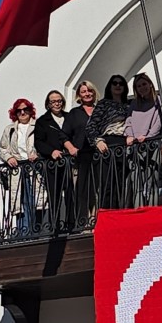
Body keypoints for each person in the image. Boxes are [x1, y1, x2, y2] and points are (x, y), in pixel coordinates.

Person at [34, 90, 81, 228]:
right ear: (48, 104)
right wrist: (51, 151)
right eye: (53, 101)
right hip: (52, 164)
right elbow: (39, 142)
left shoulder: (69, 117)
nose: (57, 104)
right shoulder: (42, 121)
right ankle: (56, 226)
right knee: (54, 195)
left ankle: (72, 223)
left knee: (71, 193)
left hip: (70, 162)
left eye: (59, 101)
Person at [0, 98, 43, 235]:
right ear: (14, 113)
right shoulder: (10, 129)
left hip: (35, 170)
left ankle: (36, 232)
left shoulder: (38, 126)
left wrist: (37, 155)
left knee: (38, 201)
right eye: (19, 110)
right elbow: (2, 148)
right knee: (21, 203)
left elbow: (44, 144)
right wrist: (9, 157)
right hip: (17, 171)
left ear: (30, 110)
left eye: (25, 109)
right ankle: (24, 233)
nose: (22, 112)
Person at [86, 75, 132, 208]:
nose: (118, 86)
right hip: (107, 143)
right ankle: (106, 216)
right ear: (109, 87)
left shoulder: (128, 106)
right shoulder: (103, 104)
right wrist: (98, 141)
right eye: (114, 83)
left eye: (121, 83)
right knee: (107, 184)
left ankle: (119, 216)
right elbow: (91, 126)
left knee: (121, 184)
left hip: (124, 144)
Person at [123, 73, 162, 205]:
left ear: (150, 84)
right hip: (135, 145)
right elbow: (128, 121)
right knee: (136, 181)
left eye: (144, 84)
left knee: (151, 180)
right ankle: (138, 209)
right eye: (138, 86)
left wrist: (148, 137)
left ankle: (151, 210)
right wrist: (129, 135)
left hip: (151, 144)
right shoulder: (134, 104)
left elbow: (159, 122)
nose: (142, 87)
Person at [69, 80, 99, 224]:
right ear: (79, 96)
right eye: (84, 92)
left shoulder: (100, 110)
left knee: (98, 189)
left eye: (89, 91)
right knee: (82, 190)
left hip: (99, 155)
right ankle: (84, 222)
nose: (87, 94)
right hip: (81, 157)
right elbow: (64, 135)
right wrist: (70, 147)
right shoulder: (74, 113)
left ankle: (97, 220)